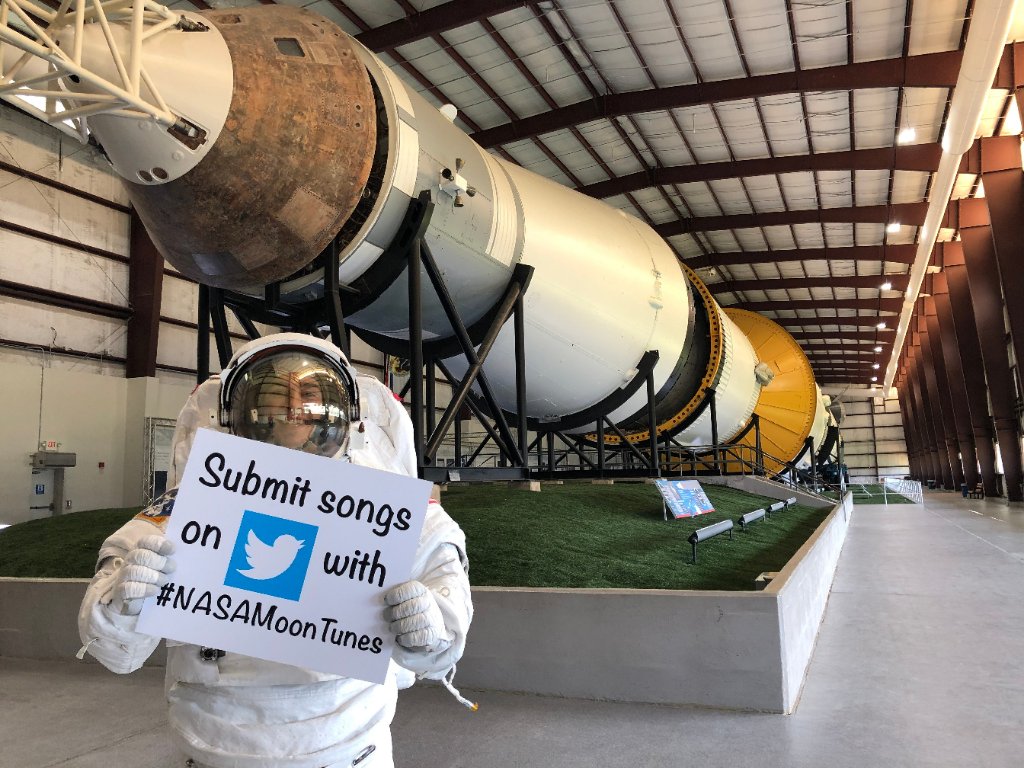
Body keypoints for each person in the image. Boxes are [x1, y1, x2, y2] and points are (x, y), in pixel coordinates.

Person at [77, 333, 474, 768]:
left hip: (349, 746)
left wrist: (429, 629)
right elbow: (112, 650)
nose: (293, 406)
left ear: (348, 416)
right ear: (232, 412)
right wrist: (123, 604)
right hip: (214, 746)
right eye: (273, 393)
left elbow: (442, 646)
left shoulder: (384, 515)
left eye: (310, 392)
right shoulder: (190, 510)